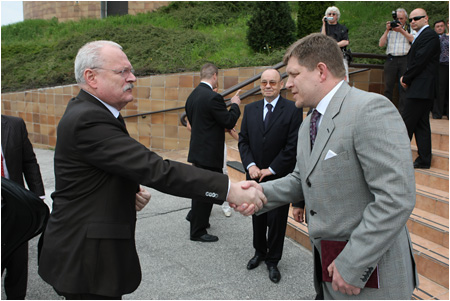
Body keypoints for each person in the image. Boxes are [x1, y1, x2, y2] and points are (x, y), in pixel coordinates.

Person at [37, 40, 266, 300]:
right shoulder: (88, 118)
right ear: (92, 77)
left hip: (88, 254)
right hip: (85, 260)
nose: (132, 77)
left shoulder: (93, 111)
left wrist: (127, 191)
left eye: (131, 71)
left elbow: (102, 168)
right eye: (122, 71)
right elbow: (156, 168)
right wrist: (228, 190)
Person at [238, 33, 418, 299]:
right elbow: (301, 179)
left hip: (369, 276)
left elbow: (396, 197)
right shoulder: (308, 123)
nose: (287, 85)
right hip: (329, 271)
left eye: (293, 75)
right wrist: (258, 193)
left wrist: (353, 263)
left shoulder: (369, 109)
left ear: (320, 71)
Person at [238, 69, 302, 283]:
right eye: (264, 82)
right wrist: (251, 165)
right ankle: (259, 252)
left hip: (279, 176)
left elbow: (292, 146)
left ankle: (273, 260)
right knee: (257, 216)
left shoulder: (293, 110)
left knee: (276, 221)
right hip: (254, 175)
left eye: (272, 82)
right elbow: (243, 141)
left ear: (281, 84)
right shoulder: (250, 109)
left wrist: (272, 169)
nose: (267, 86)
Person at [185, 63, 241, 242]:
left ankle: (196, 218)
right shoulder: (212, 97)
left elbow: (203, 123)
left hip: (198, 151)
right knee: (207, 191)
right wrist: (235, 105)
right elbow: (228, 120)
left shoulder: (192, 96)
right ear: (215, 76)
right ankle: (198, 231)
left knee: (200, 189)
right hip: (209, 154)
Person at [1, 115, 46, 300]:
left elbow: (29, 161)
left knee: (18, 264)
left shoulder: (14, 124)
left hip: (15, 208)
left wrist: (38, 197)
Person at [400, 8, 440, 169]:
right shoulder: (422, 36)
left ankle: (398, 159)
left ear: (426, 18)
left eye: (417, 18)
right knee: (421, 124)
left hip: (420, 88)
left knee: (406, 124)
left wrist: (406, 78)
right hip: (421, 89)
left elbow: (420, 61)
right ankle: (424, 159)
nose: (413, 21)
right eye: (411, 19)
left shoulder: (429, 35)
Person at [379, 8, 415, 114]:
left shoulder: (409, 29)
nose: (399, 20)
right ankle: (386, 111)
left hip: (405, 58)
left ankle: (403, 111)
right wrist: (387, 30)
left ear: (406, 19)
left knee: (404, 85)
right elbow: (381, 44)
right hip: (391, 59)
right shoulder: (390, 30)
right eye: (397, 18)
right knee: (388, 86)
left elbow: (413, 40)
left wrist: (401, 31)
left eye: (401, 18)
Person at [321, 6, 350, 81]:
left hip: (340, 56)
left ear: (337, 16)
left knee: (343, 76)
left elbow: (346, 41)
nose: (331, 16)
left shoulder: (342, 28)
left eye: (334, 14)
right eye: (329, 14)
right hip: (327, 56)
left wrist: (333, 45)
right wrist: (324, 24)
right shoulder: (325, 27)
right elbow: (322, 39)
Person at [432, 19, 449, 119]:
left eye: (441, 26)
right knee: (440, 89)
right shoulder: (440, 37)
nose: (439, 28)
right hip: (442, 65)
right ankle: (438, 113)